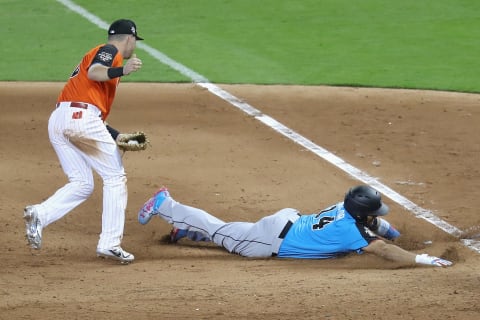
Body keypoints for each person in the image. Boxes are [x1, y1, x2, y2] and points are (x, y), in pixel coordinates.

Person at [23, 19, 144, 264]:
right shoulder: (110, 52)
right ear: (129, 38)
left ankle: (39, 214)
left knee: (82, 183)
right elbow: (95, 72)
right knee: (114, 177)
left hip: (61, 120)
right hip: (79, 118)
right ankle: (110, 243)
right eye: (134, 41)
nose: (134, 47)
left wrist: (116, 135)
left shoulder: (99, 55)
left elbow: (86, 109)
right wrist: (123, 69)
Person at [137, 185, 453, 267]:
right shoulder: (352, 230)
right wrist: (422, 259)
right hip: (266, 240)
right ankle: (166, 205)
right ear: (362, 214)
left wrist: (399, 235)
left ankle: (186, 233)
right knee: (220, 230)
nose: (375, 217)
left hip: (286, 222)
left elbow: (379, 226)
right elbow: (383, 249)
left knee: (229, 231)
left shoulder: (348, 209)